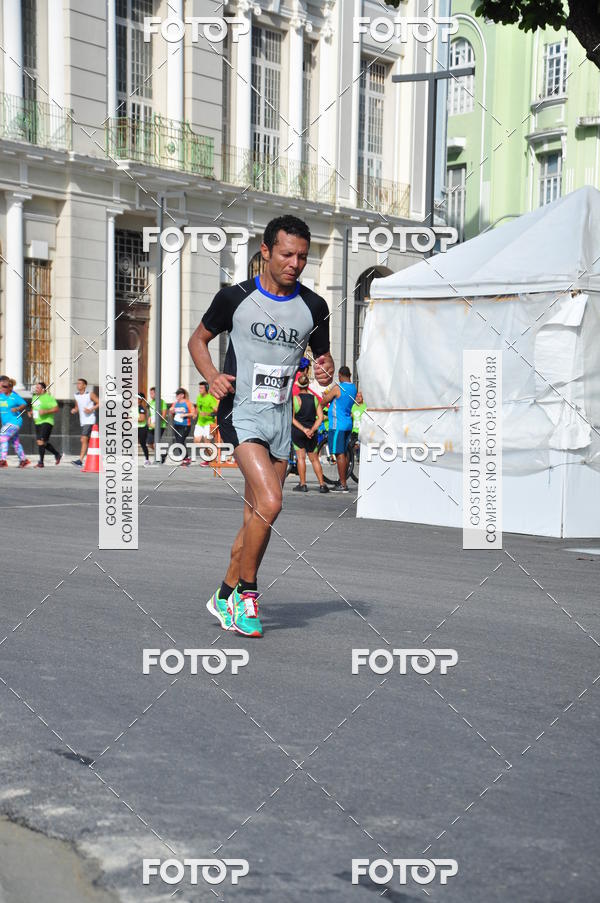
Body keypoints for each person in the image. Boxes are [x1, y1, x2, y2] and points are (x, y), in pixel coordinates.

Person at [188, 214, 334, 638]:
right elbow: (197, 340)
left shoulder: (315, 307)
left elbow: (322, 363)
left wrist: (323, 374)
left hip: (280, 422)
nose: (295, 263)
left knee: (258, 516)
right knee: (271, 503)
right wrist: (212, 375)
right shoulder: (233, 298)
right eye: (287, 254)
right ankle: (248, 594)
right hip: (241, 412)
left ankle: (224, 593)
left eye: (303, 257)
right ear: (266, 252)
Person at [322, 366, 357, 492]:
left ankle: (343, 484)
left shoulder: (339, 388)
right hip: (347, 423)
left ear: (341, 375)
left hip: (337, 424)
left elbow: (325, 400)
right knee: (344, 453)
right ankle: (343, 481)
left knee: (338, 453)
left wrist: (324, 398)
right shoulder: (353, 388)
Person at [291, 373, 328, 493]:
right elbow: (320, 417)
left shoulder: (295, 399)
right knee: (315, 459)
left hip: (298, 432)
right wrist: (311, 430)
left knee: (300, 458)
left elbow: (291, 418)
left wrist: (304, 429)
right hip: (312, 433)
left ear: (298, 386)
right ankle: (322, 485)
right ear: (307, 385)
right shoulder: (314, 399)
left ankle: (303, 484)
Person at [29, 381, 62, 467]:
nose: (36, 389)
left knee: (41, 441)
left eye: (38, 388)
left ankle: (41, 462)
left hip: (47, 421)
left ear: (43, 389)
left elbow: (56, 408)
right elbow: (34, 407)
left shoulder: (49, 398)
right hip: (37, 422)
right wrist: (30, 412)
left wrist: (46, 411)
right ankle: (57, 454)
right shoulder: (34, 397)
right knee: (42, 442)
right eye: (36, 388)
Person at [0, 376, 30, 467]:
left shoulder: (14, 396)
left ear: (10, 388)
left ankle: (3, 460)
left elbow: (24, 404)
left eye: (5, 387)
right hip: (6, 423)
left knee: (2, 436)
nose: (2, 388)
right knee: (15, 442)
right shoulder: (1, 396)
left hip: (15, 422)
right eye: (2, 386)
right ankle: (23, 460)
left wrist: (17, 408)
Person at [71, 378, 98, 466]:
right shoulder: (76, 395)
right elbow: (77, 407)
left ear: (84, 385)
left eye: (80, 383)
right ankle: (97, 453)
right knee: (87, 440)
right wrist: (74, 410)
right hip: (82, 420)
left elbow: (99, 402)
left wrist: (91, 409)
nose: (78, 385)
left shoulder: (90, 394)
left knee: (83, 439)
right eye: (77, 383)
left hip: (90, 420)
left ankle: (80, 460)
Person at [169, 388, 195, 465]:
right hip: (176, 425)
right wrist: (171, 411)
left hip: (185, 425)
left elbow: (193, 413)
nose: (176, 396)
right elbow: (172, 412)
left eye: (178, 394)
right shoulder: (175, 403)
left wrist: (184, 415)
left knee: (180, 441)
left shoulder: (188, 403)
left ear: (182, 395)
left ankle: (186, 458)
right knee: (178, 442)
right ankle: (185, 458)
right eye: (176, 394)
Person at [147, 387, 167, 462]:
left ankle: (158, 459)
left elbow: (164, 415)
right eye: (150, 393)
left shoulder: (162, 402)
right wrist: (149, 422)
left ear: (157, 393)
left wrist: (157, 422)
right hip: (151, 426)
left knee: (156, 443)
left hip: (160, 426)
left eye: (152, 393)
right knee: (149, 443)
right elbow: (150, 414)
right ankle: (163, 454)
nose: (151, 395)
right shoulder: (151, 402)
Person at [138, 392, 150, 465]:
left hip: (142, 428)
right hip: (134, 427)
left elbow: (142, 418)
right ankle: (131, 458)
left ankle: (147, 459)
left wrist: (131, 418)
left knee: (142, 443)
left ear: (140, 399)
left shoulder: (141, 408)